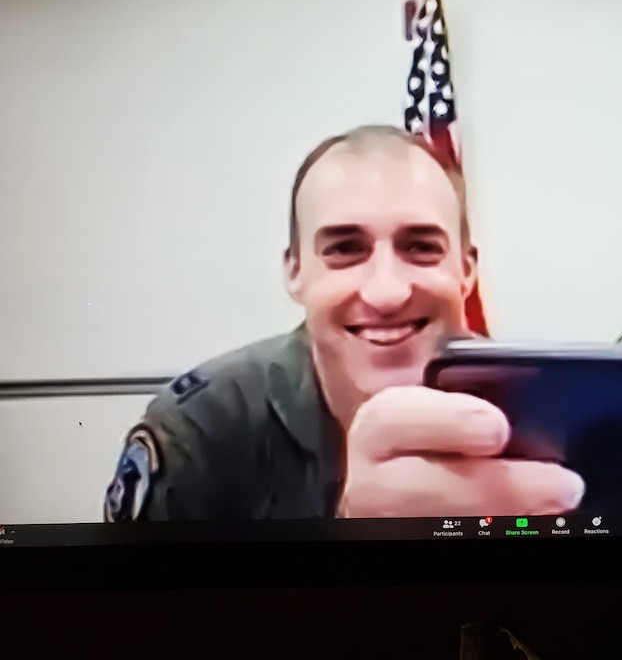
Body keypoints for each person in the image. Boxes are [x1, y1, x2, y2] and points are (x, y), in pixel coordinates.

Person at [104, 125, 583, 521]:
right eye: (344, 250)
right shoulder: (204, 427)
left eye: (421, 247)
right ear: (294, 271)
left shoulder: (538, 417)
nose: (386, 292)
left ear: (467, 271)